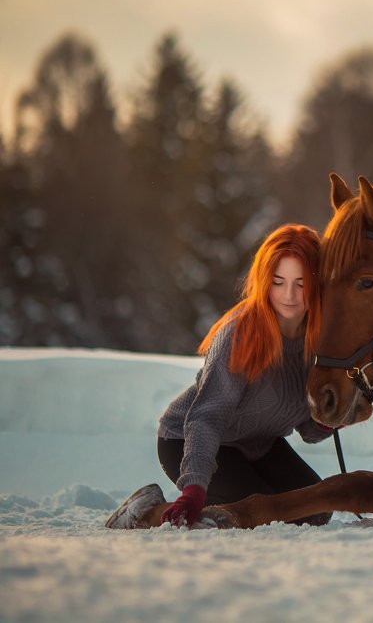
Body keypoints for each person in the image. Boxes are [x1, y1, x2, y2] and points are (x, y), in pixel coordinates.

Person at [106, 224, 334, 529]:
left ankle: (220, 506)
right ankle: (148, 511)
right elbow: (207, 416)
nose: (289, 295)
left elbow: (308, 429)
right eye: (279, 282)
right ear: (264, 282)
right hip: (189, 437)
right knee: (266, 516)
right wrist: (195, 486)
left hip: (259, 445)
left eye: (301, 283)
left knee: (315, 510)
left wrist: (329, 415)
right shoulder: (240, 333)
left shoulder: (318, 341)